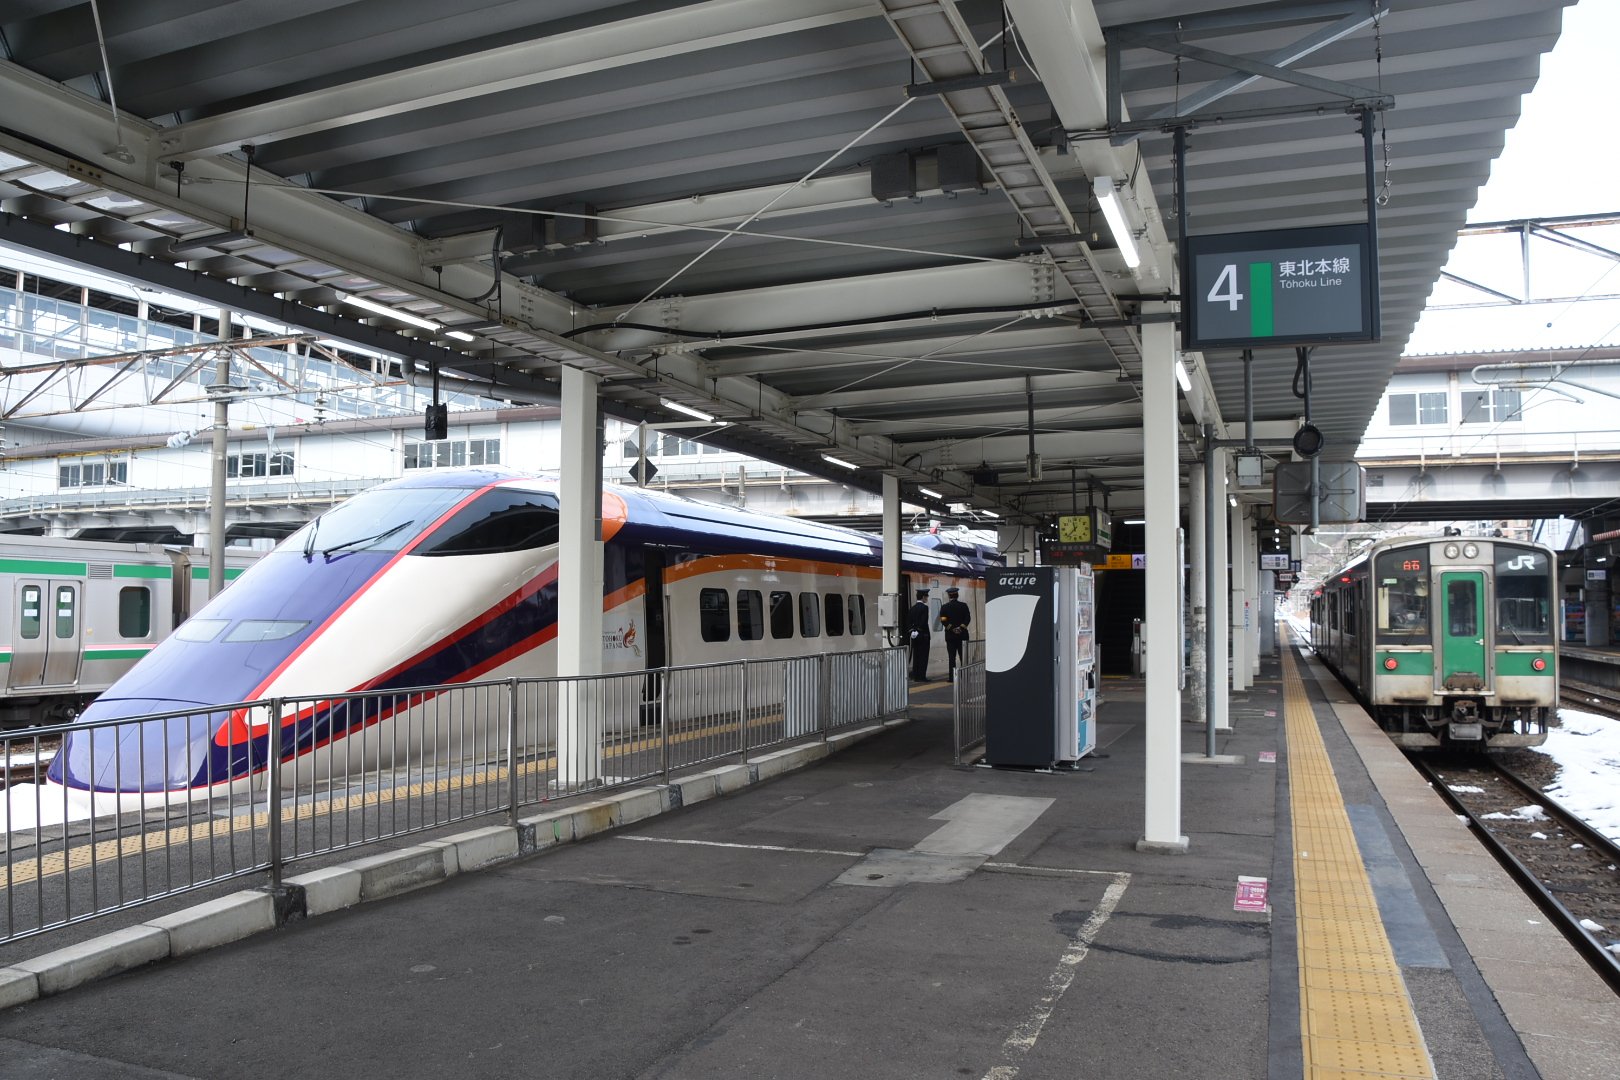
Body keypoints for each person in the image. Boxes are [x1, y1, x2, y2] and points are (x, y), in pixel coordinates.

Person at [937, 585, 972, 681]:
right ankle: (965, 676)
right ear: (957, 595)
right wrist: (960, 628)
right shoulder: (963, 606)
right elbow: (967, 618)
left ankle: (952, 678)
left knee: (951, 657)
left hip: (950, 636)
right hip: (963, 635)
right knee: (963, 657)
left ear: (949, 596)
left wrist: (952, 629)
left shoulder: (944, 607)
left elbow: (943, 620)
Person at [908, 588, 932, 681]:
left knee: (916, 656)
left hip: (914, 636)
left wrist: (912, 631)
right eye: (926, 596)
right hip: (923, 636)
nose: (927, 598)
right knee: (923, 657)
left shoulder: (912, 608)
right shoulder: (924, 608)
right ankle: (922, 676)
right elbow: (923, 621)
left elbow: (909, 621)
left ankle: (916, 675)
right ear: (923, 597)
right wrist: (918, 630)